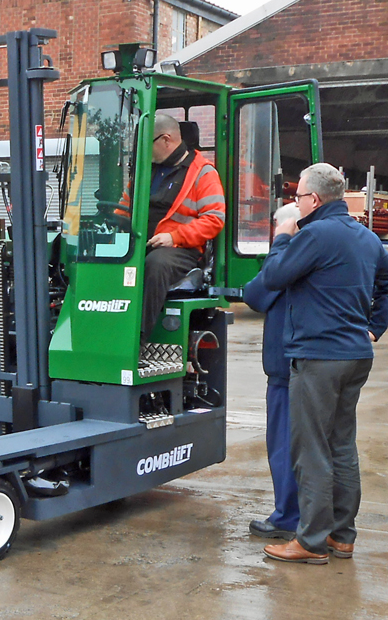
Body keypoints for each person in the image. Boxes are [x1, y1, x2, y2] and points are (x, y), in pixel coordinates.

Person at [259, 163, 388, 565]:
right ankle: (342, 536)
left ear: (315, 199)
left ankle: (310, 541)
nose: (296, 203)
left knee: (311, 450)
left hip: (318, 357)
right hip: (355, 356)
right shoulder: (364, 236)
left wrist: (283, 239)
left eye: (299, 196)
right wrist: (373, 328)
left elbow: (274, 277)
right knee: (341, 445)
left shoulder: (315, 235)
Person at [127, 113, 225, 347]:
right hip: (141, 241)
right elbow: (124, 207)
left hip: (182, 248)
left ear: (166, 140)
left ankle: (136, 340)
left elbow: (214, 220)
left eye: (147, 143)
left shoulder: (203, 173)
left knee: (156, 264)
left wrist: (174, 237)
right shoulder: (145, 171)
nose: (143, 150)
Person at [243, 201, 303, 541]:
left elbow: (254, 293)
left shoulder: (288, 258)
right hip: (322, 364)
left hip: (285, 367)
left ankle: (287, 517)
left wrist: (281, 242)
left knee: (283, 445)